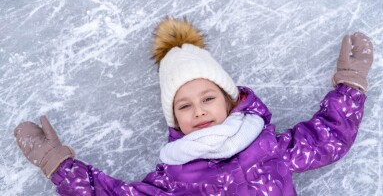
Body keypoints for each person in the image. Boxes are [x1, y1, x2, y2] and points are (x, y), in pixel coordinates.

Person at [14, 18, 374, 195]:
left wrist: (351, 82)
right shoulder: (173, 177)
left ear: (229, 100)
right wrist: (59, 165)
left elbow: (329, 137)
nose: (199, 111)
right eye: (184, 106)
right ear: (174, 120)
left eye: (207, 98)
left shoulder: (269, 147)